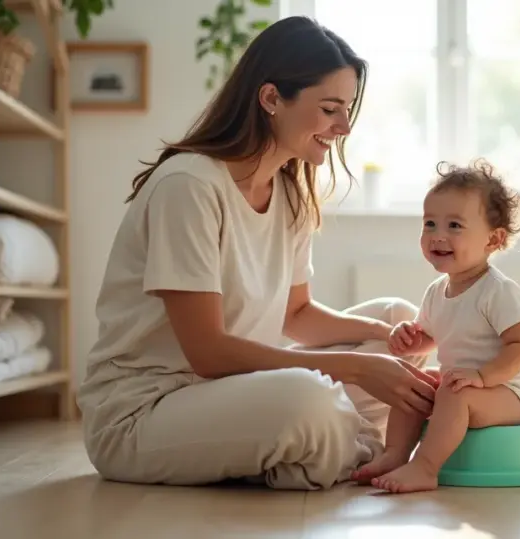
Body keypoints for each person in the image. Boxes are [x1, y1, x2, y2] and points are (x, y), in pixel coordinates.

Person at [75, 16, 439, 491]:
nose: (344, 126)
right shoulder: (189, 185)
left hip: (231, 391)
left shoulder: (289, 193)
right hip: (145, 410)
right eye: (330, 108)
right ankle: (344, 443)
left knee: (399, 319)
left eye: (347, 109)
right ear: (271, 98)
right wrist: (357, 367)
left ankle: (324, 444)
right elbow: (207, 353)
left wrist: (386, 336)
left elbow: (297, 315)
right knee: (309, 402)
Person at [350, 160, 520, 494]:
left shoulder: (498, 290)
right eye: (430, 224)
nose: (438, 236)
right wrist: (411, 339)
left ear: (493, 240)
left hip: (507, 393)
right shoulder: (437, 291)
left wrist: (482, 377)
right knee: (415, 383)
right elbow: (432, 336)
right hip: (463, 386)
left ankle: (425, 467)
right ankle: (394, 454)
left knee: (453, 393)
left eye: (454, 225)